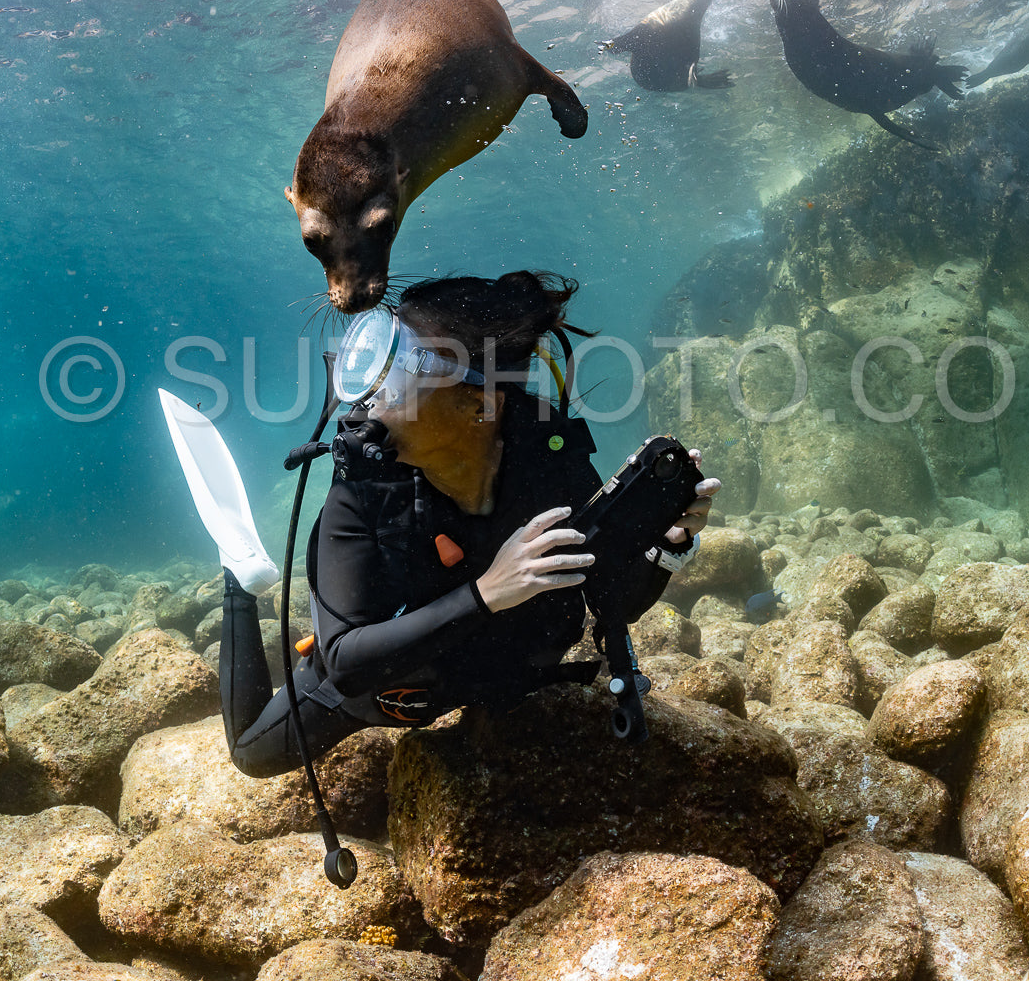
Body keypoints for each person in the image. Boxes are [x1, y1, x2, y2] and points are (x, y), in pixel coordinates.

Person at [220, 271, 720, 777]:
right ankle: (239, 575)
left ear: (478, 403)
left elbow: (612, 599)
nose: (370, 395)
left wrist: (666, 547)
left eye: (400, 371)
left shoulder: (546, 451)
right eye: (377, 364)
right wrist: (485, 593)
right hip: (404, 683)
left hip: (507, 668)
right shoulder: (365, 482)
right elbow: (347, 664)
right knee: (251, 753)